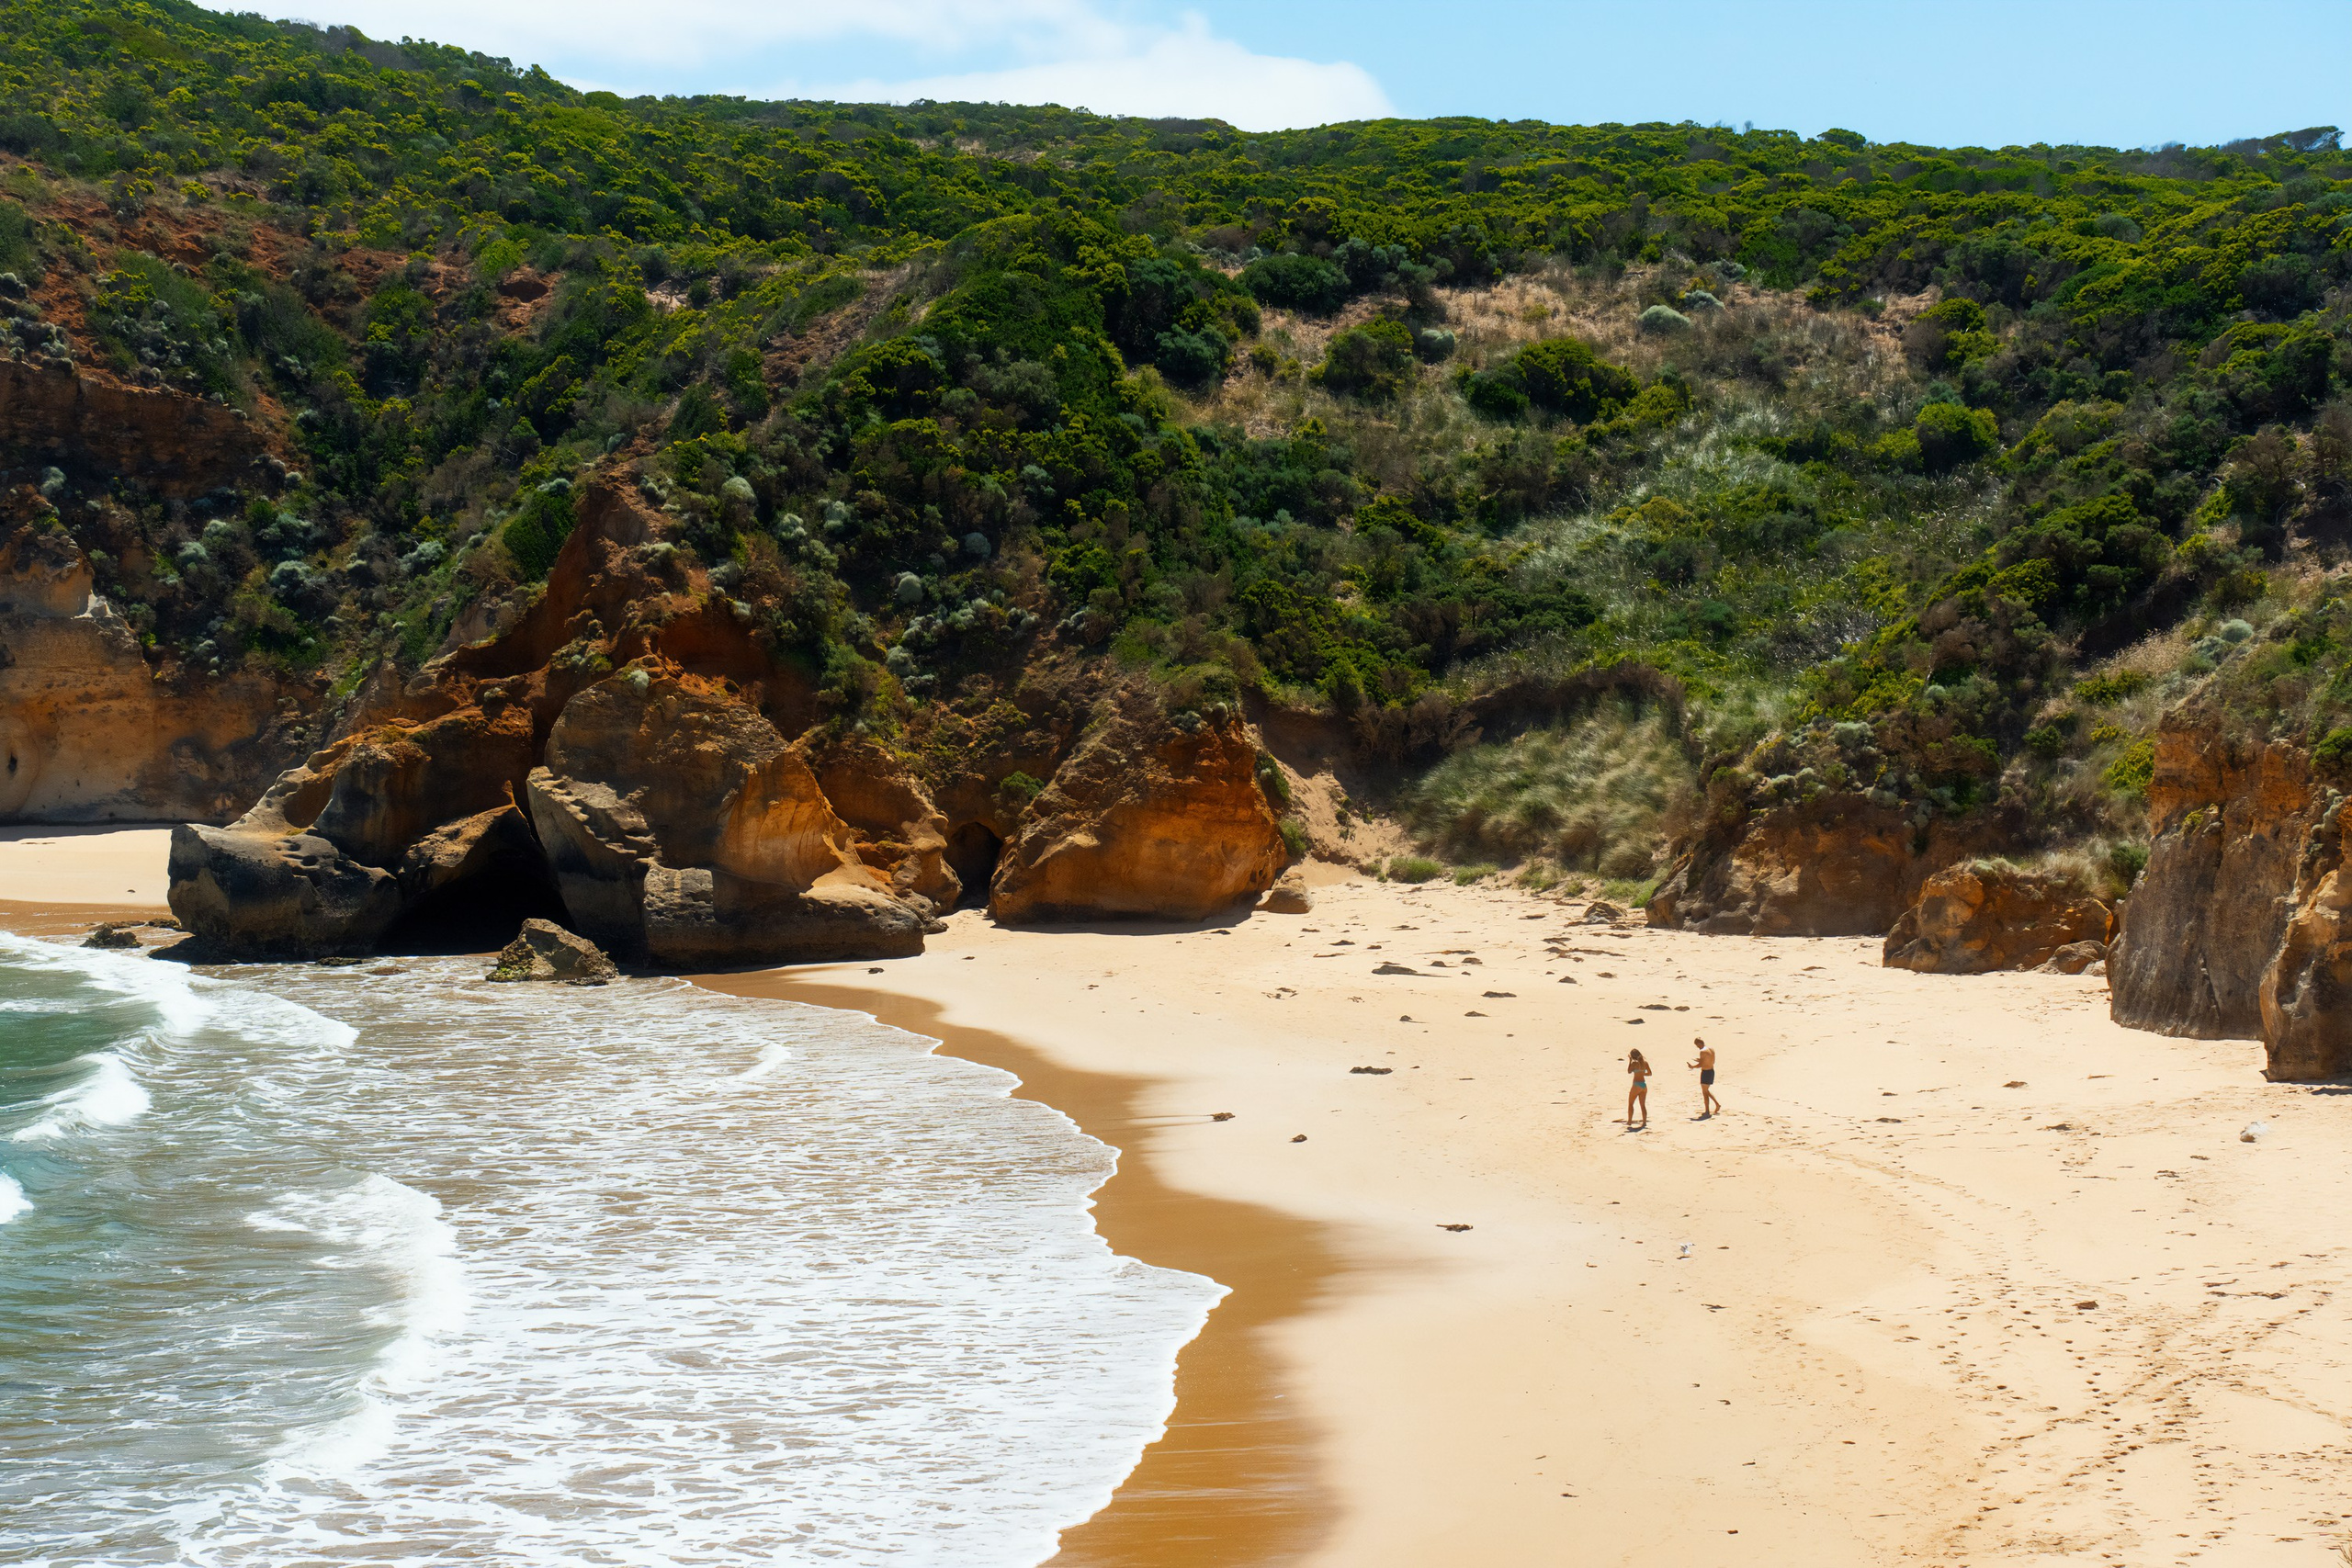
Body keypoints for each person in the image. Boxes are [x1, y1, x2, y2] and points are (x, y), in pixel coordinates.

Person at [1689, 1037, 1720, 1118]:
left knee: (1705, 1093)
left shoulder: (1702, 1051)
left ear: (1699, 1043)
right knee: (1706, 1091)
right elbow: (1711, 1060)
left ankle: (1707, 1111)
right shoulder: (1711, 1049)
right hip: (1711, 1071)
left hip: (1706, 1072)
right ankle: (1717, 1104)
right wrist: (1701, 1060)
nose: (1697, 1047)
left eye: (1697, 1045)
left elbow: (1701, 1065)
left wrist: (1693, 1066)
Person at [1624, 1047, 1651, 1130]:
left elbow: (1629, 1071)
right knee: (1642, 1105)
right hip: (1643, 1085)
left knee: (1630, 1103)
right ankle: (1644, 1122)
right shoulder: (1645, 1063)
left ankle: (1629, 1121)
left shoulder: (1634, 1064)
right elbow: (1650, 1073)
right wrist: (1642, 1074)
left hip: (1636, 1085)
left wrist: (1629, 1061)